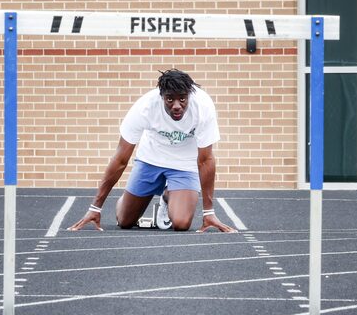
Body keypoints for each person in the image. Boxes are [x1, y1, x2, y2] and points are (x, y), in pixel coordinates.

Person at [68, 69, 236, 233]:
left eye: (182, 99)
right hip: (150, 159)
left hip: (184, 164)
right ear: (161, 96)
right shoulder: (145, 107)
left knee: (181, 223)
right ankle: (131, 197)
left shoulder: (203, 106)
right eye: (170, 99)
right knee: (124, 221)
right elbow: (120, 159)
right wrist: (95, 207)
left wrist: (209, 213)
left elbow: (206, 160)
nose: (177, 106)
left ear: (189, 95)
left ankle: (168, 195)